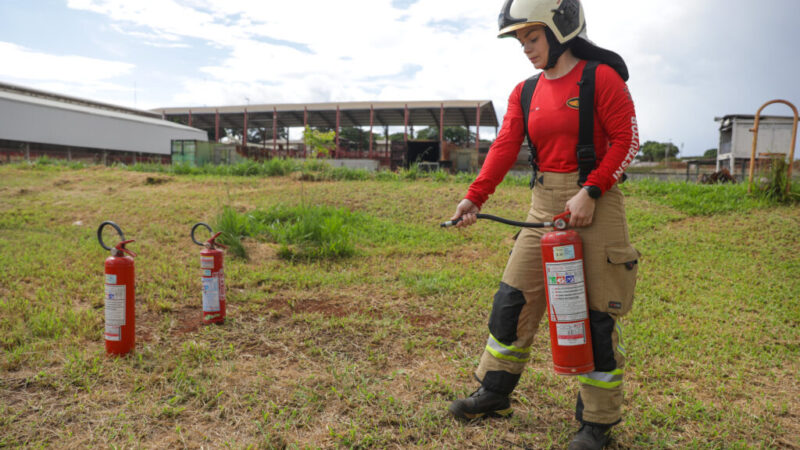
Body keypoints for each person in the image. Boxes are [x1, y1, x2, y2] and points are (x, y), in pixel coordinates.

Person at [447, 1, 641, 449]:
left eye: (532, 38)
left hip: (597, 203)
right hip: (543, 205)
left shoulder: (600, 79)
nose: (525, 49)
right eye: (520, 41)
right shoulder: (525, 91)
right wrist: (473, 197)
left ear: (561, 29)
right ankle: (494, 392)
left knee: (594, 317)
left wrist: (590, 192)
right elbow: (504, 145)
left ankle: (597, 423)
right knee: (513, 299)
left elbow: (628, 140)